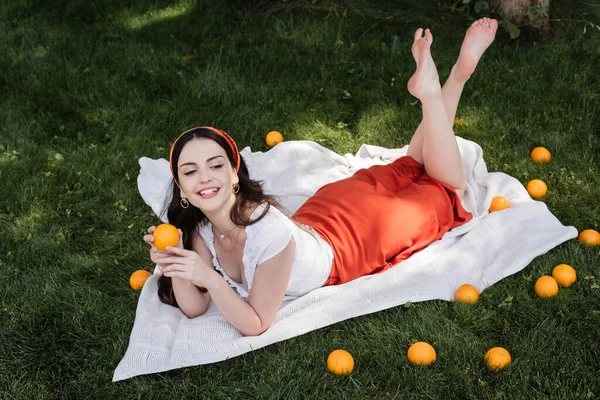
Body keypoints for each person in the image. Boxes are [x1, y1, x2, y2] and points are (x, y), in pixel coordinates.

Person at [143, 18, 499, 336]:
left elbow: (256, 324)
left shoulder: (267, 233)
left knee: (448, 187)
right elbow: (194, 307)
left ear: (235, 173)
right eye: (190, 171)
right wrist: (174, 259)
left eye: (215, 165)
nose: (204, 177)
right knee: (412, 165)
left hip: (358, 240)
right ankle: (455, 77)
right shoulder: (202, 229)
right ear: (182, 189)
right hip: (327, 212)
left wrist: (208, 278)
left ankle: (439, 89)